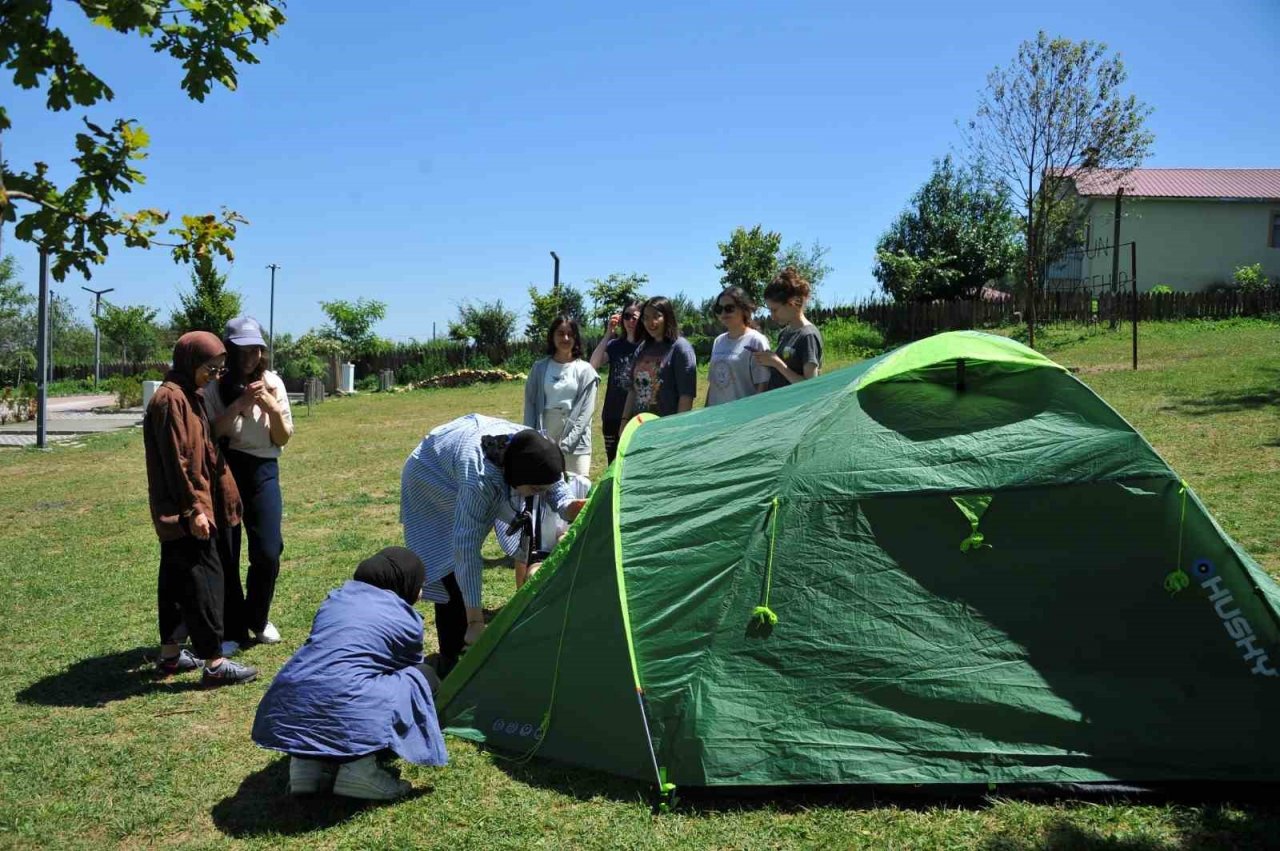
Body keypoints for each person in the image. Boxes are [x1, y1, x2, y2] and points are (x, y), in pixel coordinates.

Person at [251, 547, 447, 800]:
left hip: (287, 698)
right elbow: (401, 667)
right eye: (419, 584)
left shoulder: (335, 599)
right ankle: (359, 769)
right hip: (346, 704)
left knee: (327, 680)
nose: (420, 593)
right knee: (422, 677)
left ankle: (305, 767)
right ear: (404, 582)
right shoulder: (405, 619)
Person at [400, 415, 587, 678]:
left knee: (458, 570)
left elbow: (552, 483)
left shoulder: (532, 448)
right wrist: (476, 619)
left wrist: (569, 506)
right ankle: (452, 661)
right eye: (535, 489)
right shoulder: (480, 478)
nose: (539, 493)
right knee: (449, 572)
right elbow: (465, 548)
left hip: (460, 462)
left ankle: (466, 651)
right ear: (517, 477)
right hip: (430, 479)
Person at [143, 331, 257, 686]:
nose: (215, 375)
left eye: (220, 369)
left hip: (190, 509)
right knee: (203, 582)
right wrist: (194, 511)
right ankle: (215, 663)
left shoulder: (188, 396)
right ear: (191, 361)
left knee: (176, 582)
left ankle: (171, 657)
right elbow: (179, 462)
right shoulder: (170, 400)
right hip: (186, 512)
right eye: (211, 367)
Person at [204, 316, 293, 655]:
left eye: (257, 349)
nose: (251, 357)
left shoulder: (273, 383)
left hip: (263, 468)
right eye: (244, 350)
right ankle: (231, 627)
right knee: (227, 550)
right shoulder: (215, 387)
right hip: (227, 467)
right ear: (230, 351)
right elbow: (212, 433)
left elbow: (282, 437)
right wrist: (239, 405)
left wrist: (271, 408)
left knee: (268, 550)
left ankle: (258, 618)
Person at [523, 316, 599, 477]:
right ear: (552, 336)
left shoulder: (586, 371)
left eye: (570, 334)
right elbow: (530, 406)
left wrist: (567, 443)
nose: (565, 338)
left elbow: (586, 413)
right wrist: (531, 438)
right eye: (560, 333)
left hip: (576, 441)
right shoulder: (539, 368)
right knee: (545, 490)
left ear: (576, 338)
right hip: (545, 436)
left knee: (577, 490)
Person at [494, 471, 592, 588]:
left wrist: (566, 541)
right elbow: (521, 552)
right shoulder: (530, 489)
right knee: (534, 575)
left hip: (576, 557)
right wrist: (520, 597)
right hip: (541, 558)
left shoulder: (582, 485)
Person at [621, 296, 697, 420]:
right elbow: (632, 389)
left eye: (656, 316)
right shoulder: (642, 348)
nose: (651, 322)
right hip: (640, 426)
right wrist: (624, 420)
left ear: (667, 317)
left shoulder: (680, 348)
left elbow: (686, 396)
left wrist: (677, 430)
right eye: (646, 318)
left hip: (667, 428)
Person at [588, 301, 642, 463]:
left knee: (634, 463)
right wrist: (608, 334)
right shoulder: (615, 345)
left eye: (635, 317)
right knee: (613, 463)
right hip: (612, 413)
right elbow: (593, 364)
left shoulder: (647, 346)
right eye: (626, 316)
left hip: (637, 415)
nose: (630, 321)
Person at [755, 267, 824, 389]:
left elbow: (810, 386)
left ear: (792, 302)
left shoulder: (808, 336)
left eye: (775, 310)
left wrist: (777, 363)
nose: (772, 316)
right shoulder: (785, 333)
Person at [705, 286, 772, 407]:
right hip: (716, 416)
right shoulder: (718, 341)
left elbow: (762, 385)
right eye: (719, 309)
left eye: (729, 308)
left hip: (742, 417)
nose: (723, 313)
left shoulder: (756, 341)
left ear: (744, 310)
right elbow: (713, 384)